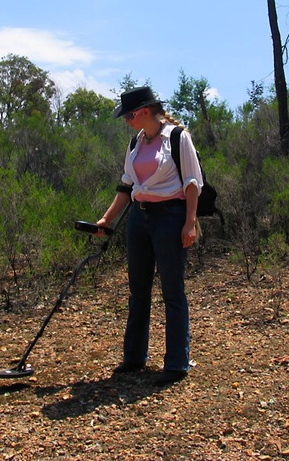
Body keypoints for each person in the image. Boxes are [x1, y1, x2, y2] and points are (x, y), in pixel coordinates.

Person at [96, 86, 203, 386]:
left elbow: (193, 183)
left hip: (171, 217)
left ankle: (177, 363)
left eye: (129, 115)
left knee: (172, 290)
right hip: (139, 219)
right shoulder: (135, 143)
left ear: (144, 111)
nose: (127, 120)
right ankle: (134, 358)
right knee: (138, 290)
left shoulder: (178, 137)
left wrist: (190, 222)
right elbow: (126, 186)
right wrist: (106, 219)